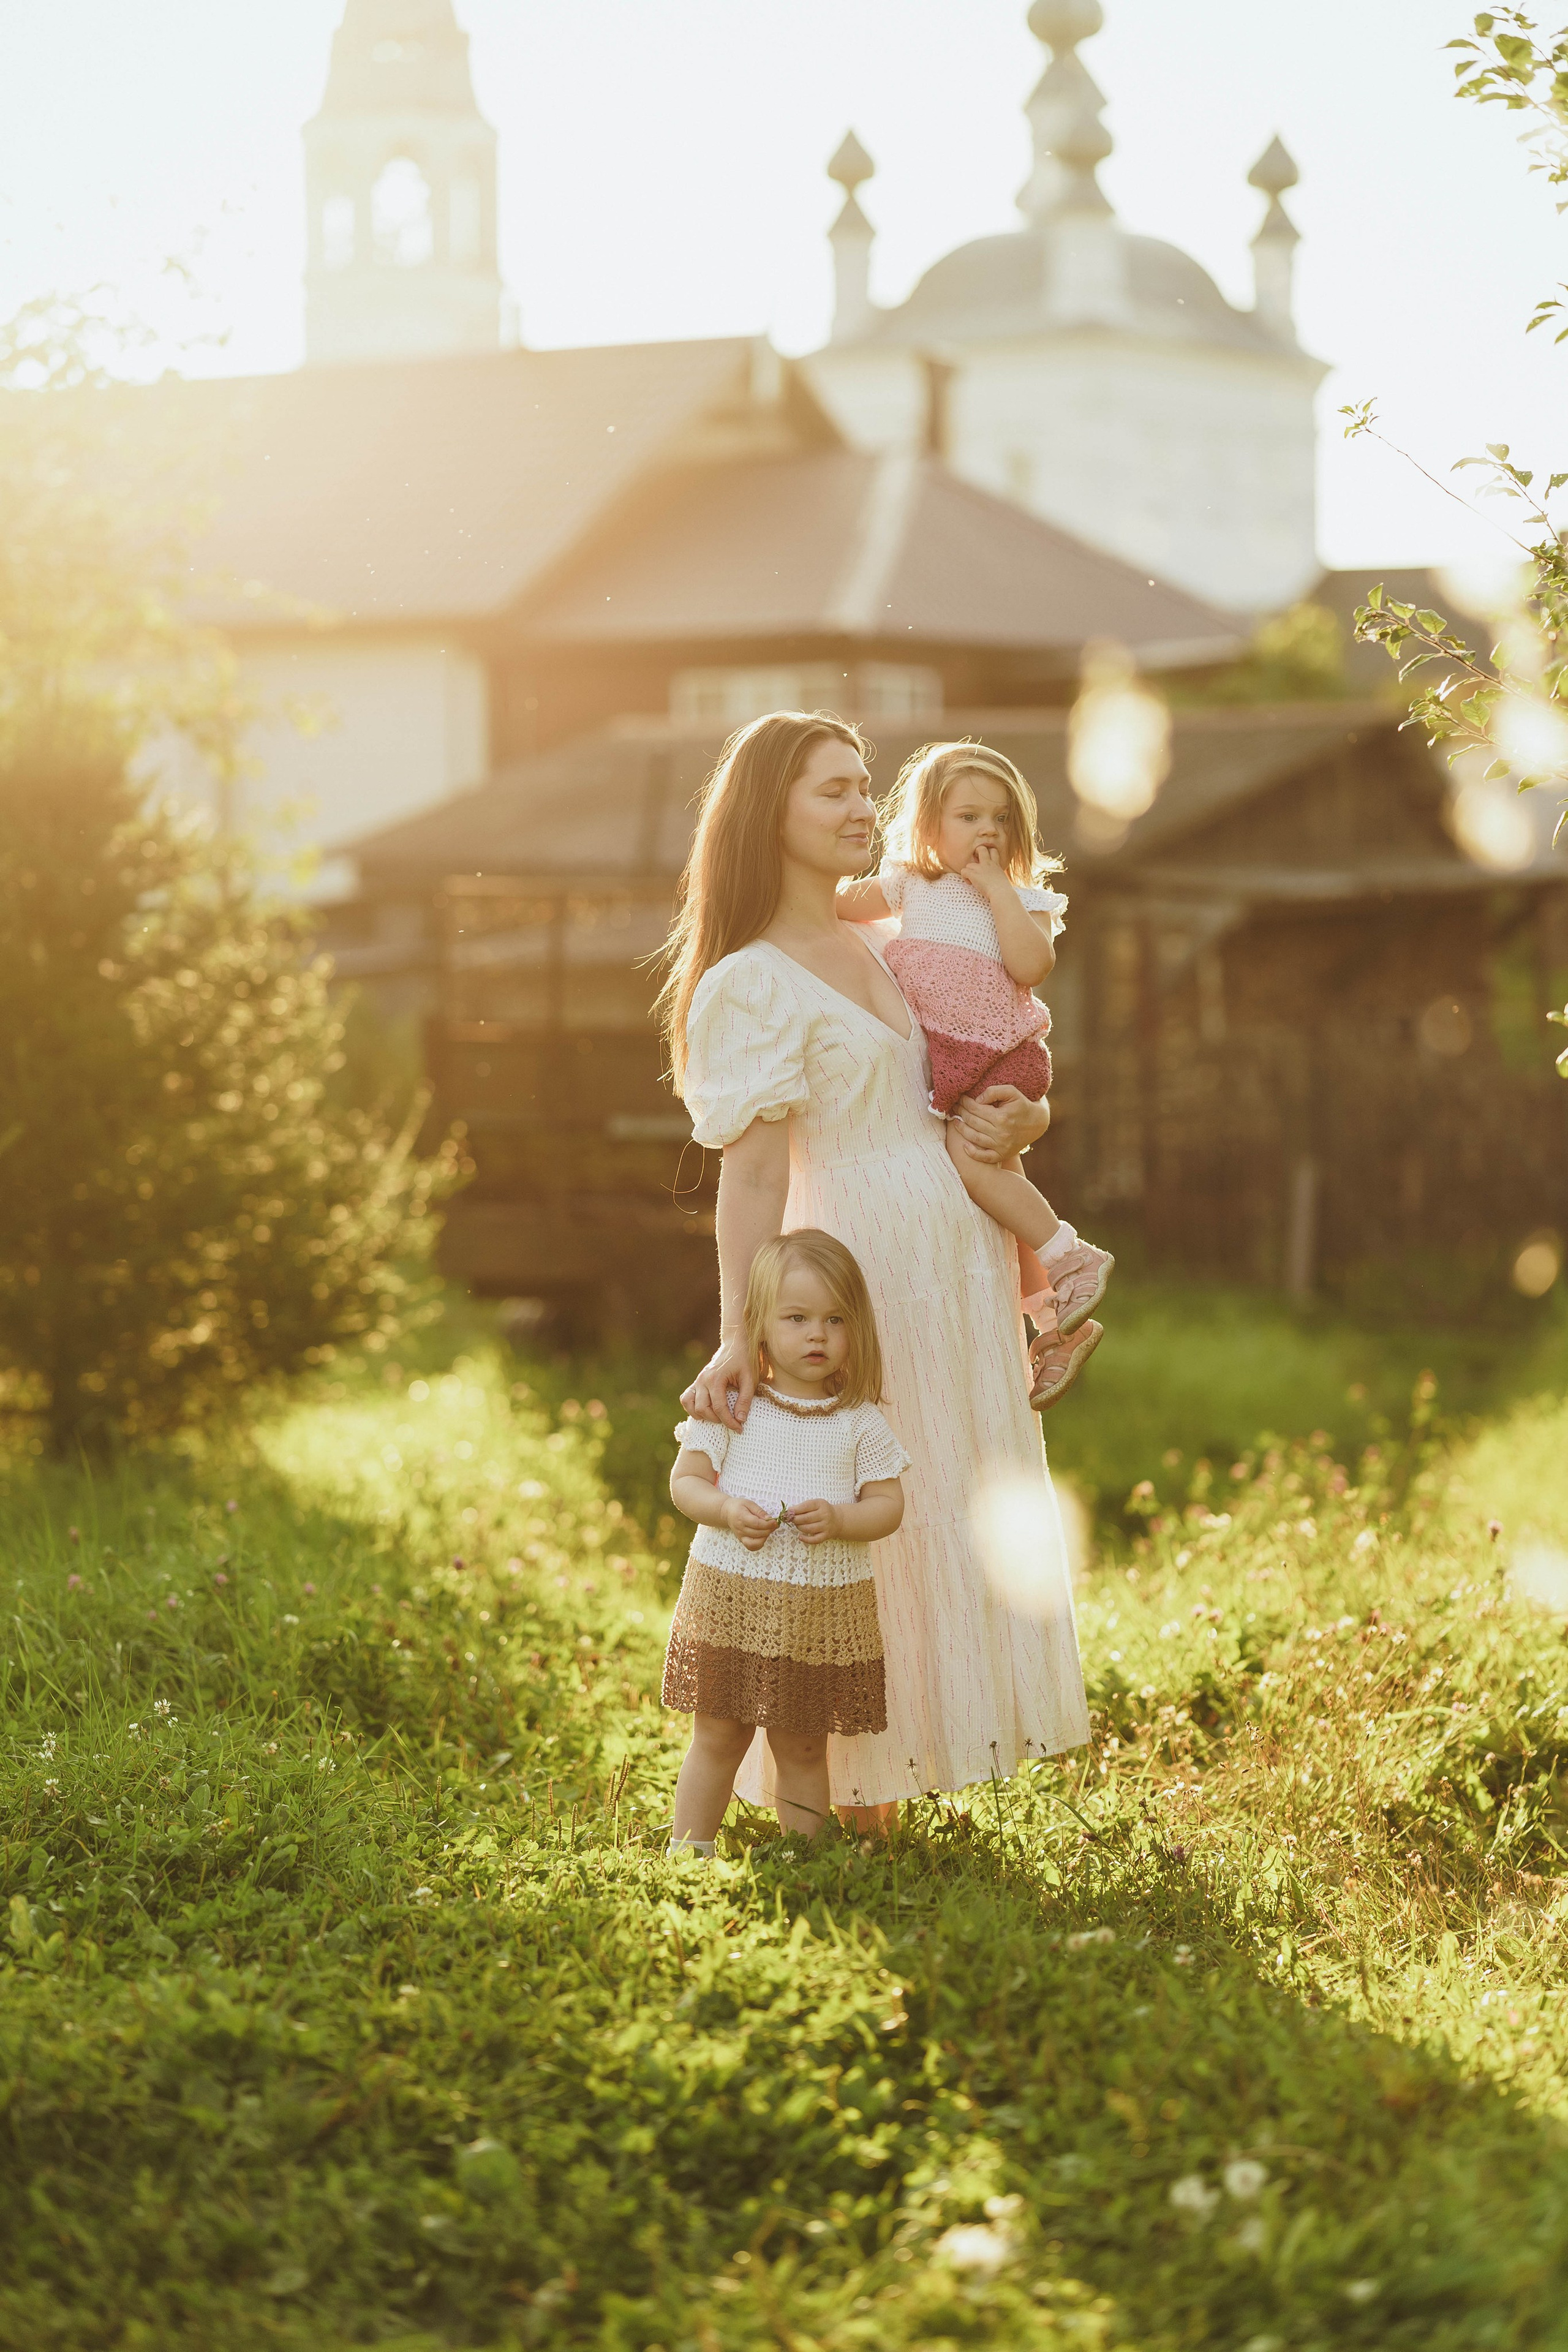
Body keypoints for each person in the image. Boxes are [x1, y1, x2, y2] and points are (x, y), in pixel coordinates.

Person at [657, 709, 1088, 1830]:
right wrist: (736, 1336)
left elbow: (967, 1078)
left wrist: (1028, 1109)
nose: (864, 809)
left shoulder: (888, 942)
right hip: (860, 1283)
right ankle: (847, 1805)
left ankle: (908, 1774)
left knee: (940, 1511)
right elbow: (751, 1182)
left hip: (955, 1277)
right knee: (855, 1532)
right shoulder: (749, 980)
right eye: (834, 792)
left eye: (864, 787)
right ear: (771, 815)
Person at [835, 739, 1113, 1408]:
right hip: (956, 1065)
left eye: (1000, 818)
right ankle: (1049, 1327)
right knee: (995, 1183)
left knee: (976, 1165)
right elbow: (837, 904)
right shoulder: (909, 884)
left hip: (999, 1057)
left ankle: (1071, 1257)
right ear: (929, 826)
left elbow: (1030, 967)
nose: (986, 830)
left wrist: (996, 891)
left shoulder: (1021, 898)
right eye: (967, 817)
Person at [664, 1229, 909, 1853]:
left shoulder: (860, 1421)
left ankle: (805, 1862)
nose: (817, 1335)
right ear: (760, 1327)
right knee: (719, 1731)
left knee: (802, 1740)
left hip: (818, 1609)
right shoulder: (734, 1407)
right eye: (796, 1318)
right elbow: (685, 1482)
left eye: (834, 1319)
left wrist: (840, 1518)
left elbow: (887, 1506)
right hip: (731, 1596)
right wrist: (723, 1509)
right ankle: (687, 1853)